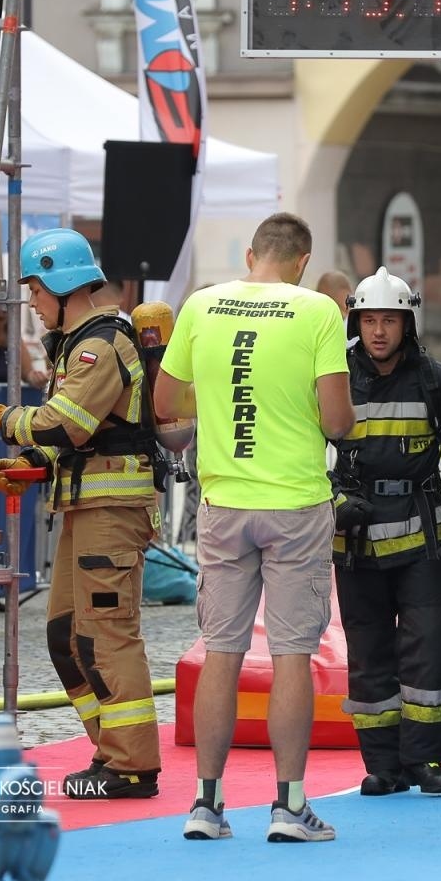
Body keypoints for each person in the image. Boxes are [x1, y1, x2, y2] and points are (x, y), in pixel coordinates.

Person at [155, 212, 355, 842]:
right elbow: (337, 420)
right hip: (295, 501)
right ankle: (289, 807)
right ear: (302, 261)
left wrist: (220, 403)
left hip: (223, 500)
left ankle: (206, 805)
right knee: (293, 655)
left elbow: (165, 406)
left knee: (222, 653)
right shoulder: (318, 312)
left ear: (251, 255)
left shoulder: (201, 305)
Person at [0, 228, 163, 800]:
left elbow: (67, 421)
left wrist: (7, 421)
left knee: (105, 634)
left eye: (34, 289)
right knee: (64, 637)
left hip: (112, 509)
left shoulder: (102, 342)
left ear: (60, 282)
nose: (31, 302)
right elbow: (74, 435)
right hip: (84, 506)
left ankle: (131, 766)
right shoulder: (75, 342)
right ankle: (111, 751)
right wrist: (29, 462)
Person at [329, 267, 441, 796]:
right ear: (356, 321)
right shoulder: (332, 379)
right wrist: (334, 499)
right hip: (354, 540)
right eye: (369, 320)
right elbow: (304, 455)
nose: (378, 331)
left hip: (422, 540)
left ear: (408, 323)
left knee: (426, 650)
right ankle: (381, 765)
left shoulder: (439, 382)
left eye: (389, 321)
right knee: (368, 649)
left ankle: (424, 761)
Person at [0, 304, 49, 388]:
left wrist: (36, 377)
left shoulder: (14, 341)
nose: (0, 322)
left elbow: (27, 373)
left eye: (2, 318)